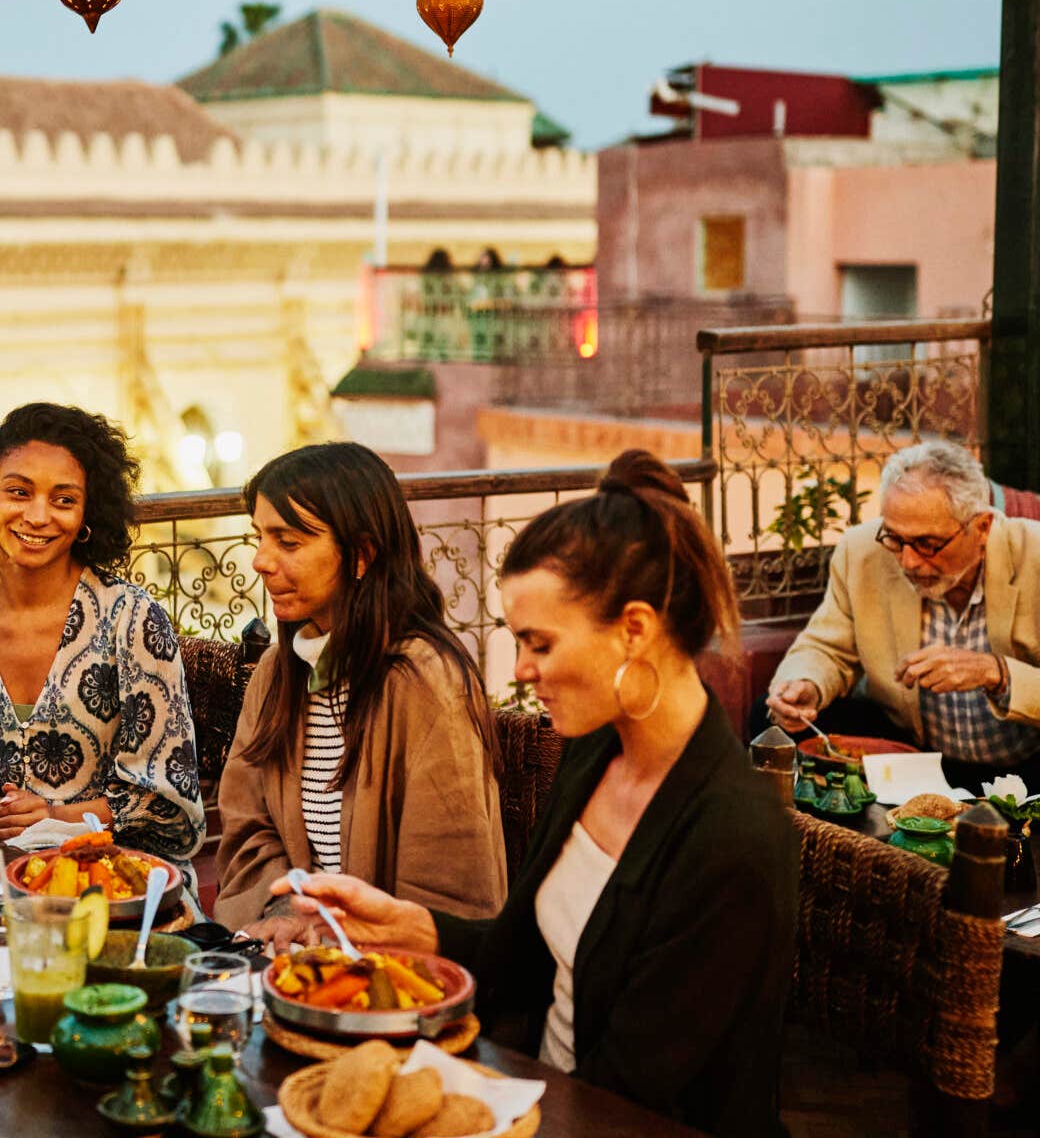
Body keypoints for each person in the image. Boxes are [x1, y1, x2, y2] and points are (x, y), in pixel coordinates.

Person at [274, 452, 795, 1138]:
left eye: (538, 644)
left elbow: (632, 1097)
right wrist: (407, 926)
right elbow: (519, 958)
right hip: (539, 1101)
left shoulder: (733, 838)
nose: (520, 671)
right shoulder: (595, 752)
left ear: (634, 630)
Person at [212, 442, 506, 939]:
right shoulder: (277, 673)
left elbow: (449, 887)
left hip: (385, 977)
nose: (261, 561)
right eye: (259, 537)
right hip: (291, 953)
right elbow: (245, 826)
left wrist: (339, 938)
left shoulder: (426, 681)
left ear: (361, 555)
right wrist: (286, 912)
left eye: (288, 542)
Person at [0, 402, 204, 862]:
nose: (38, 516)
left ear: (87, 514)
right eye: (19, 493)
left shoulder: (132, 620)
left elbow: (170, 804)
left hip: (119, 882)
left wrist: (53, 818)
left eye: (63, 500)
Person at [766, 440, 1040, 793]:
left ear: (981, 527)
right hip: (911, 755)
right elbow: (826, 648)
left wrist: (995, 673)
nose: (908, 561)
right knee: (774, 726)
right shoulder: (862, 552)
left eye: (928, 544)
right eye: (895, 538)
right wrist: (806, 685)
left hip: (1027, 768)